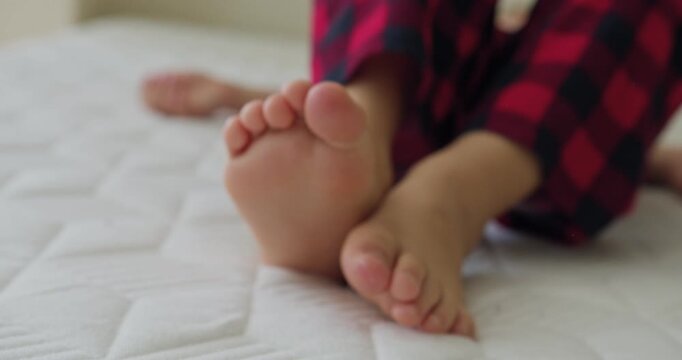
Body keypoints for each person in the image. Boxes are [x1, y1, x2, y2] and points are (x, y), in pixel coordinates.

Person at [142, 0, 682, 338]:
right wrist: (237, 94)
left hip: (527, 128)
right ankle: (364, 124)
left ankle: (447, 194)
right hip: (467, 98)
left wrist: (648, 162)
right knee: (344, 111)